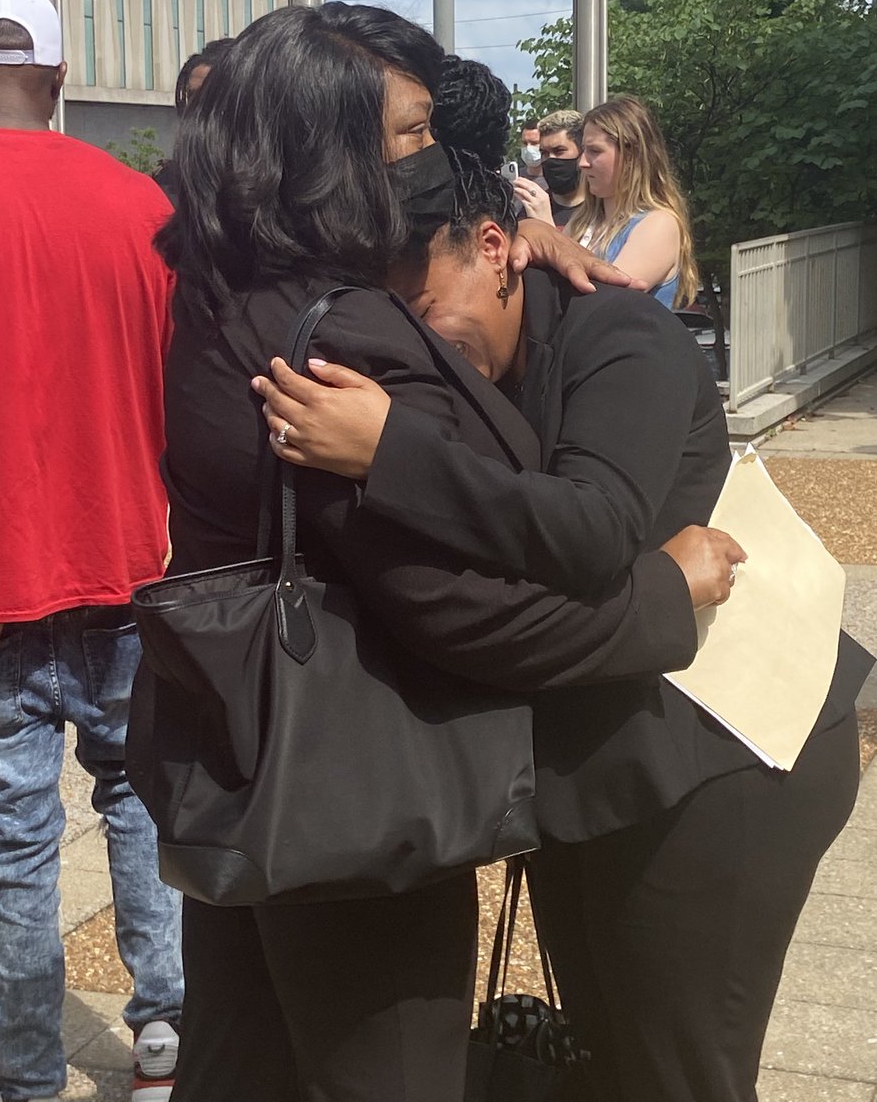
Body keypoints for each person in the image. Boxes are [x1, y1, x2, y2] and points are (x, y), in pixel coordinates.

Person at [129, 2, 741, 1102]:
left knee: (239, 1063)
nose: (434, 160)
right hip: (350, 790)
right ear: (324, 149)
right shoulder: (341, 337)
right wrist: (663, 595)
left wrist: (531, 240)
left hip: (241, 754)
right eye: (411, 135)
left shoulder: (221, 286)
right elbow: (469, 610)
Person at [252, 55, 864, 1102]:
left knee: (680, 1073)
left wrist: (390, 449)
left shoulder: (623, 336)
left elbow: (595, 525)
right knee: (612, 1066)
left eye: (423, 302)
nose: (416, 344)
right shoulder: (476, 355)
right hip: (601, 762)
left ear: (495, 249)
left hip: (728, 753)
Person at [0, 0, 183, 1102]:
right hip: (126, 563)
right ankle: (164, 1037)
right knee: (141, 801)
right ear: (57, 80)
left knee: (11, 847)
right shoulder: (142, 209)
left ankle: (28, 1074)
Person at [565, 93, 698, 308]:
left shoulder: (658, 224)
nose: (582, 163)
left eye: (595, 151)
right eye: (583, 151)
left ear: (631, 156)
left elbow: (604, 304)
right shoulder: (582, 222)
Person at [153, 37, 235, 202]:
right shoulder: (167, 185)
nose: (199, 108)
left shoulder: (275, 182)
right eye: (193, 96)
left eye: (212, 96)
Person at [513, 107, 584, 228]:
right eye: (544, 153)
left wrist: (547, 227)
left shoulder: (602, 211)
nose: (550, 159)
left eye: (559, 151)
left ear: (582, 151)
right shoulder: (532, 209)